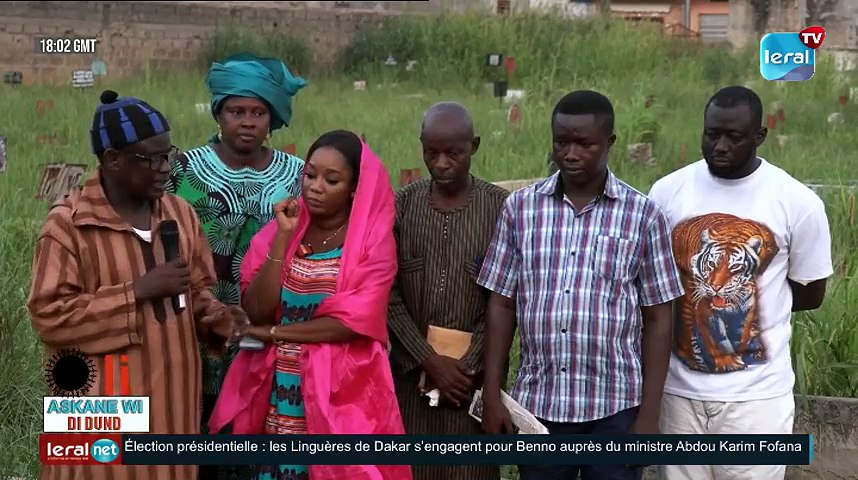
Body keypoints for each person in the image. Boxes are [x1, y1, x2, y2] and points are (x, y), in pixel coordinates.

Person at [27, 90, 246, 480]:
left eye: (169, 156)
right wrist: (138, 292)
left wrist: (214, 316)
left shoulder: (180, 215)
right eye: (153, 159)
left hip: (173, 413)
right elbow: (49, 317)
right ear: (113, 161)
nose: (165, 169)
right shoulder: (67, 226)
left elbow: (196, 289)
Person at [477, 90, 685, 480]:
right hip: (541, 404)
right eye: (561, 143)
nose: (571, 154)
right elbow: (501, 305)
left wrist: (649, 415)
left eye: (584, 144)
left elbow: (659, 318)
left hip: (616, 408)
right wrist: (493, 392)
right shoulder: (520, 210)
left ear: (610, 143)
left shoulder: (642, 215)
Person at [648, 86, 833, 480]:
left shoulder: (798, 202)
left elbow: (809, 292)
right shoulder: (666, 193)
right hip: (678, 394)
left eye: (734, 137)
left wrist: (752, 301)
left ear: (760, 136)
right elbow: (655, 290)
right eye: (711, 134)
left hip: (758, 400)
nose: (720, 146)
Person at [208, 130, 413, 480]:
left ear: (354, 189)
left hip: (342, 389)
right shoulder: (286, 230)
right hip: (283, 386)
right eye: (310, 175)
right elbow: (256, 308)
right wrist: (285, 235)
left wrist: (275, 333)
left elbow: (353, 322)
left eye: (331, 180)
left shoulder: (370, 244)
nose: (315, 186)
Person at [165, 53, 307, 480]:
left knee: (258, 432)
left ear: (273, 118)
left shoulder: (297, 175)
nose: (247, 121)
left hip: (270, 330)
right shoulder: (183, 170)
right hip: (193, 325)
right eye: (236, 111)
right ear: (219, 114)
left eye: (258, 112)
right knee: (196, 427)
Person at [388, 102, 509, 480]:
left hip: (471, 387)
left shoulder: (500, 209)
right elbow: (388, 296)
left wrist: (468, 365)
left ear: (473, 146)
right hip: (410, 381)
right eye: (430, 152)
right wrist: (430, 360)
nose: (441, 163)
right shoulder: (402, 207)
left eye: (453, 153)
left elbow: (504, 299)